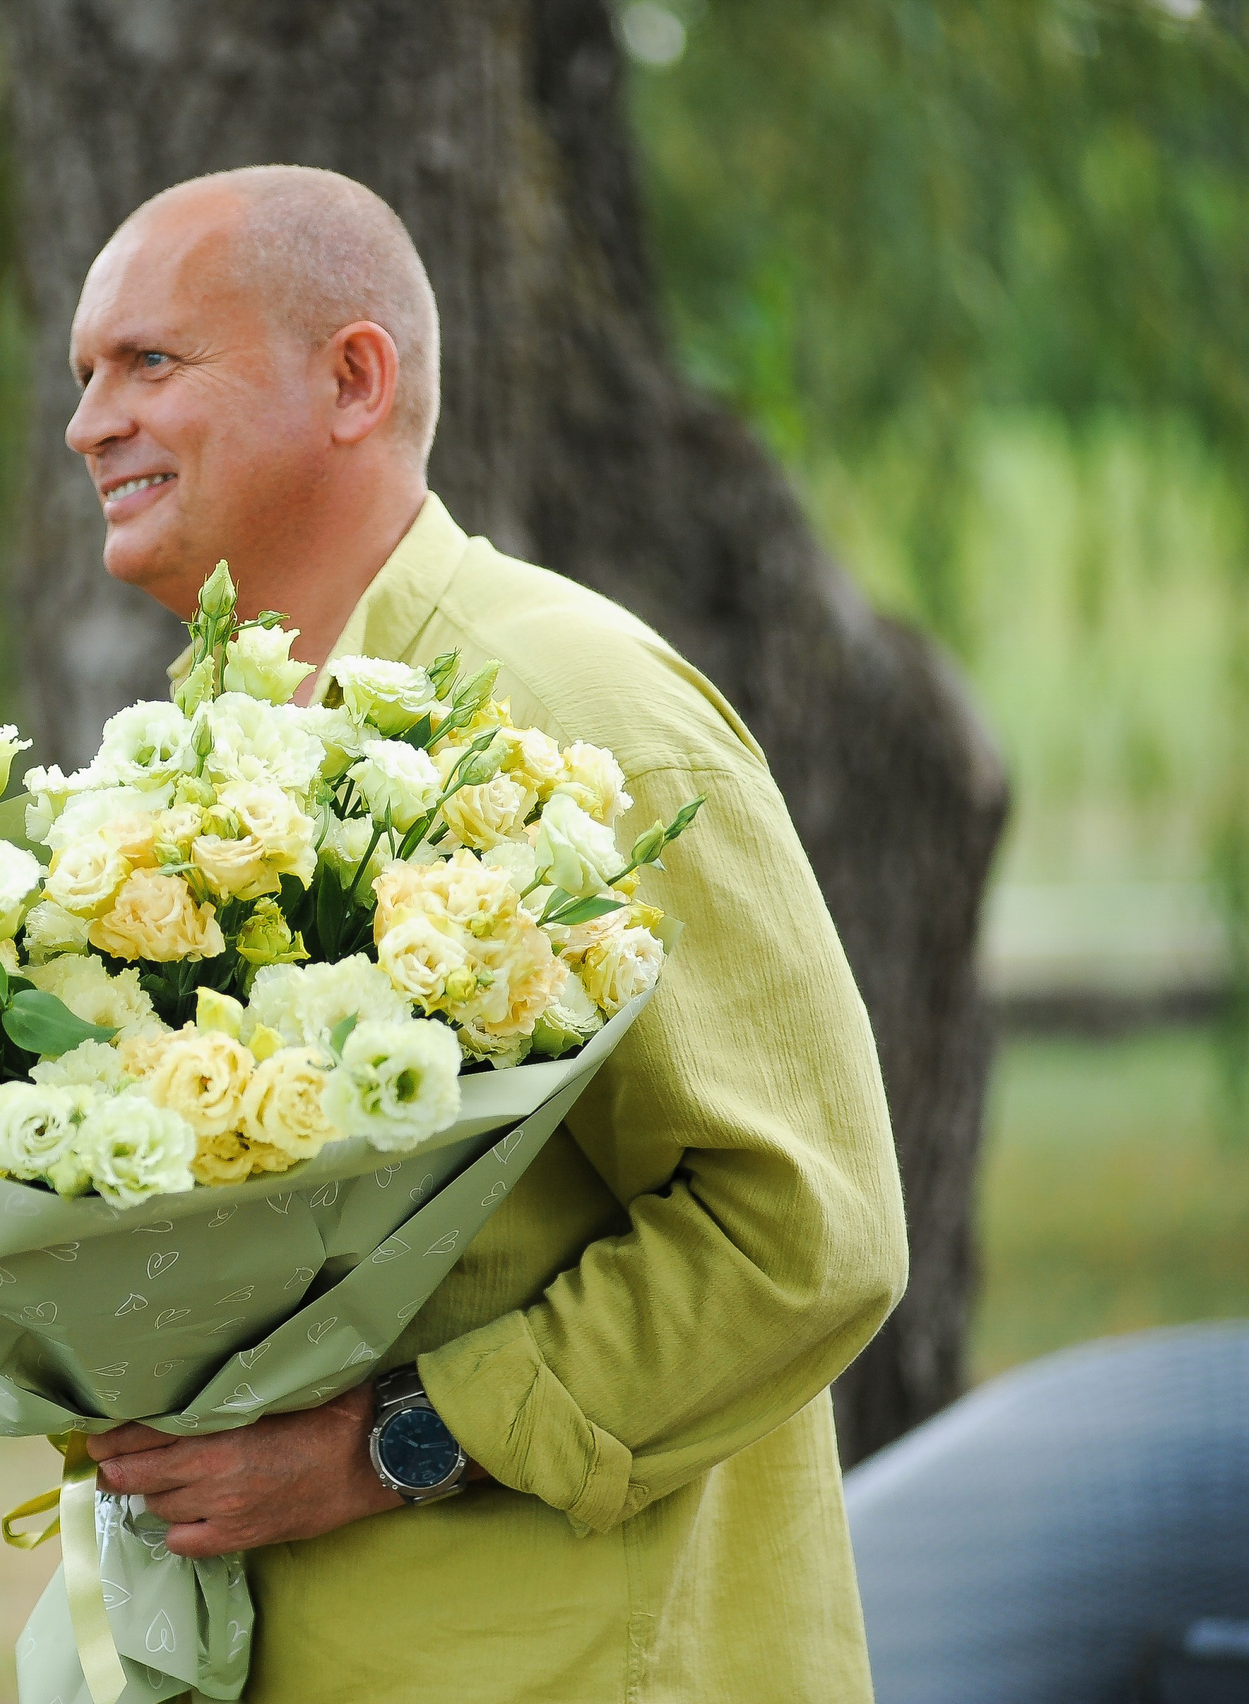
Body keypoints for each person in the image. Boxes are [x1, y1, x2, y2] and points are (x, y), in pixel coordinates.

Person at [58, 167, 908, 1700]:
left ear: (354, 378)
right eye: (83, 377)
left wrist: (388, 1445)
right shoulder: (193, 768)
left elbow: (809, 1229)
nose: (88, 423)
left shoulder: (578, 710)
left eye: (149, 362)